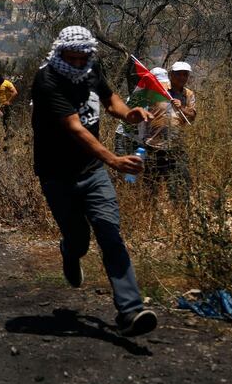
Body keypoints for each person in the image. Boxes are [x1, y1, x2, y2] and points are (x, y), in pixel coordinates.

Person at [31, 25, 157, 337]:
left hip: (92, 172)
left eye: (81, 58)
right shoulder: (47, 79)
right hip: (57, 176)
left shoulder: (90, 69)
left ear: (88, 55)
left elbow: (110, 97)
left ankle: (130, 311)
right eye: (70, 58)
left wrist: (129, 114)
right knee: (78, 239)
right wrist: (113, 160)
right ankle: (69, 251)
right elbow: (75, 128)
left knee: (110, 233)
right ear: (60, 53)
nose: (75, 64)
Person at [143, 61, 197, 202]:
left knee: (180, 182)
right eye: (178, 74)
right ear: (171, 75)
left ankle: (181, 212)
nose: (182, 77)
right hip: (154, 144)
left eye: (185, 74)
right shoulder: (159, 89)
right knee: (151, 183)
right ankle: (149, 213)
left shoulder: (189, 95)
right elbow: (140, 105)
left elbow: (192, 117)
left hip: (176, 145)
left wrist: (182, 108)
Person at [114, 67, 169, 156]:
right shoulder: (138, 97)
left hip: (140, 140)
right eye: (158, 84)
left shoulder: (161, 100)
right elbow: (127, 119)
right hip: (125, 137)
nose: (161, 87)